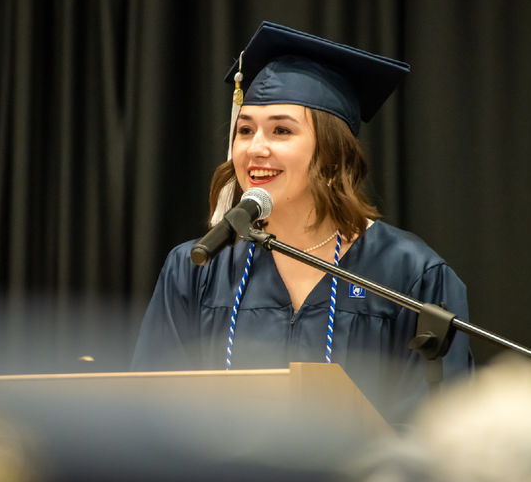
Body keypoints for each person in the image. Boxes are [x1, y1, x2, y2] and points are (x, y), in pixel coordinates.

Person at [131, 21, 473, 425]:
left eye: (281, 130)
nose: (256, 147)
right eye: (245, 130)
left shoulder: (411, 275)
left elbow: (439, 431)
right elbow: (150, 415)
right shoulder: (197, 268)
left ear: (331, 153)